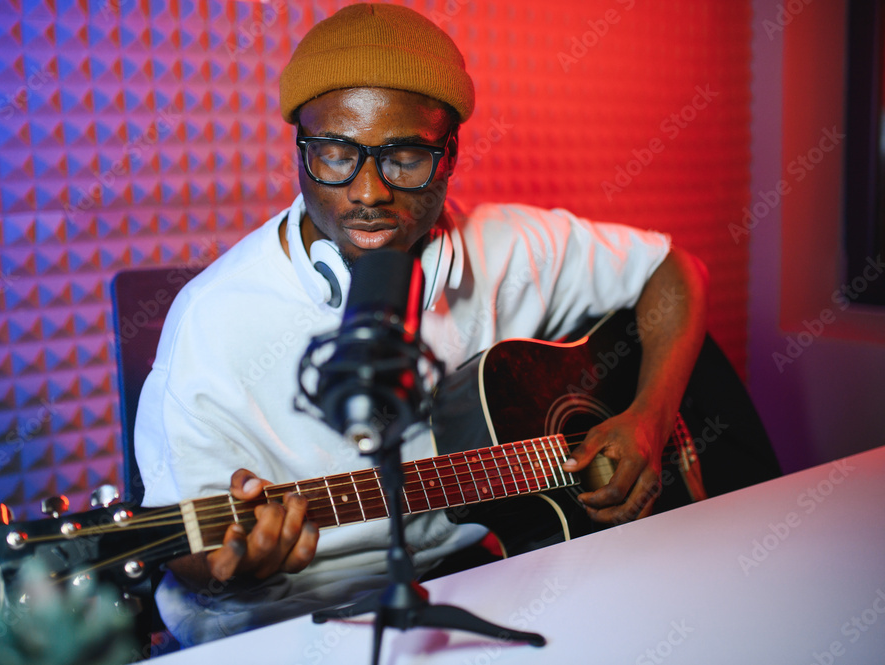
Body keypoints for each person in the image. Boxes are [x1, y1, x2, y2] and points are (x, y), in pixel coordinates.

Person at [134, 2, 708, 646]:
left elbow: (675, 272)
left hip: (482, 574)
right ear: (299, 151)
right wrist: (228, 569)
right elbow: (187, 547)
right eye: (335, 155)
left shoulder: (511, 248)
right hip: (283, 622)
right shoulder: (211, 318)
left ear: (451, 152)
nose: (369, 192)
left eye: (405, 157)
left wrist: (649, 419)